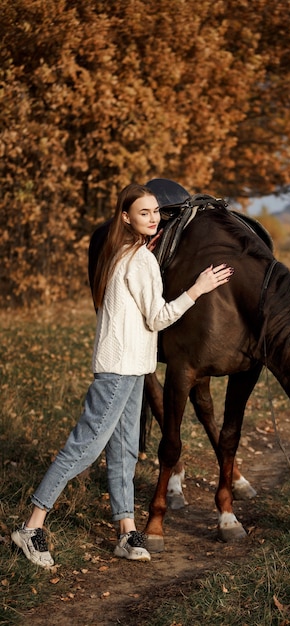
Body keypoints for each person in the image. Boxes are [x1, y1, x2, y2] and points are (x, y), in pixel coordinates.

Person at [11, 183, 233, 568]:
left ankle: (126, 532)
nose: (152, 218)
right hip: (120, 370)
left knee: (125, 450)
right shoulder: (140, 260)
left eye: (155, 212)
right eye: (143, 212)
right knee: (84, 448)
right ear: (126, 217)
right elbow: (159, 317)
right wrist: (199, 288)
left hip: (134, 368)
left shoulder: (122, 253)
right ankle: (31, 527)